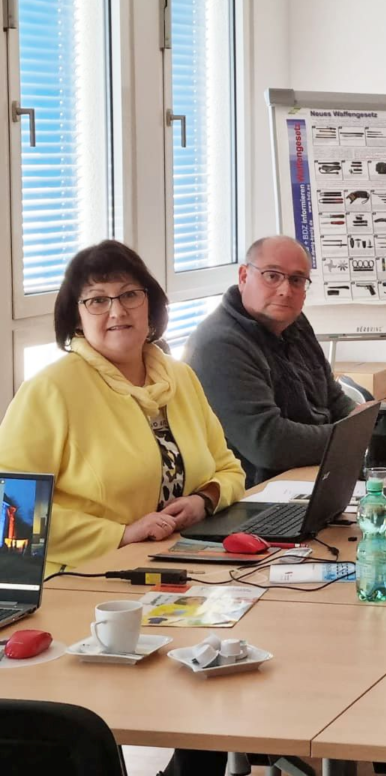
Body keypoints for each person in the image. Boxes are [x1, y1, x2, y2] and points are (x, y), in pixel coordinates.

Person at [0, 241, 244, 776]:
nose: (117, 311)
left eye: (129, 295)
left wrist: (204, 500)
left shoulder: (176, 377)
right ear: (75, 315)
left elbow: (229, 467)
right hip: (85, 587)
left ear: (151, 304)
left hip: (175, 575)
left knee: (224, 673)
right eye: (97, 300)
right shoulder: (53, 390)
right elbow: (10, 514)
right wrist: (119, 531)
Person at [187, 236, 356, 487]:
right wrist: (353, 436)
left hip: (310, 475)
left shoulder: (295, 323)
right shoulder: (219, 345)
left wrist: (369, 420)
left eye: (296, 280)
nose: (285, 290)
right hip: (257, 496)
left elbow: (332, 398)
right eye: (272, 275)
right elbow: (269, 443)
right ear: (244, 276)